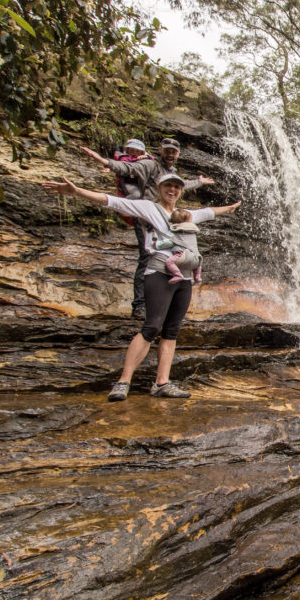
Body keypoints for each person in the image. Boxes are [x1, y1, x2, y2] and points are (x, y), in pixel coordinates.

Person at [42, 173, 241, 402]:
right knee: (152, 326)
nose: (172, 190)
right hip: (159, 272)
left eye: (177, 187)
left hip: (184, 278)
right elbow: (112, 201)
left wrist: (231, 208)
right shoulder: (149, 208)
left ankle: (162, 383)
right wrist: (77, 191)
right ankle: (123, 382)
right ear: (159, 187)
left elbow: (210, 212)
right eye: (168, 185)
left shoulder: (188, 215)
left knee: (172, 330)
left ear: (181, 191)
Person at [78, 138, 216, 321]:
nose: (170, 154)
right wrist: (106, 163)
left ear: (178, 154)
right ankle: (140, 306)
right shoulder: (150, 165)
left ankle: (162, 302)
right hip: (146, 217)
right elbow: (129, 169)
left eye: (173, 151)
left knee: (166, 256)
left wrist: (199, 182)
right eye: (167, 150)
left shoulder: (170, 172)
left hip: (165, 218)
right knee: (146, 258)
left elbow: (181, 185)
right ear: (160, 150)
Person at [157, 209, 202, 284]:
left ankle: (178, 275)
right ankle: (197, 276)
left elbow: (169, 242)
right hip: (197, 259)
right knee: (197, 262)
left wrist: (157, 245)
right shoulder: (193, 231)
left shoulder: (176, 230)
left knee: (169, 262)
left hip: (182, 256)